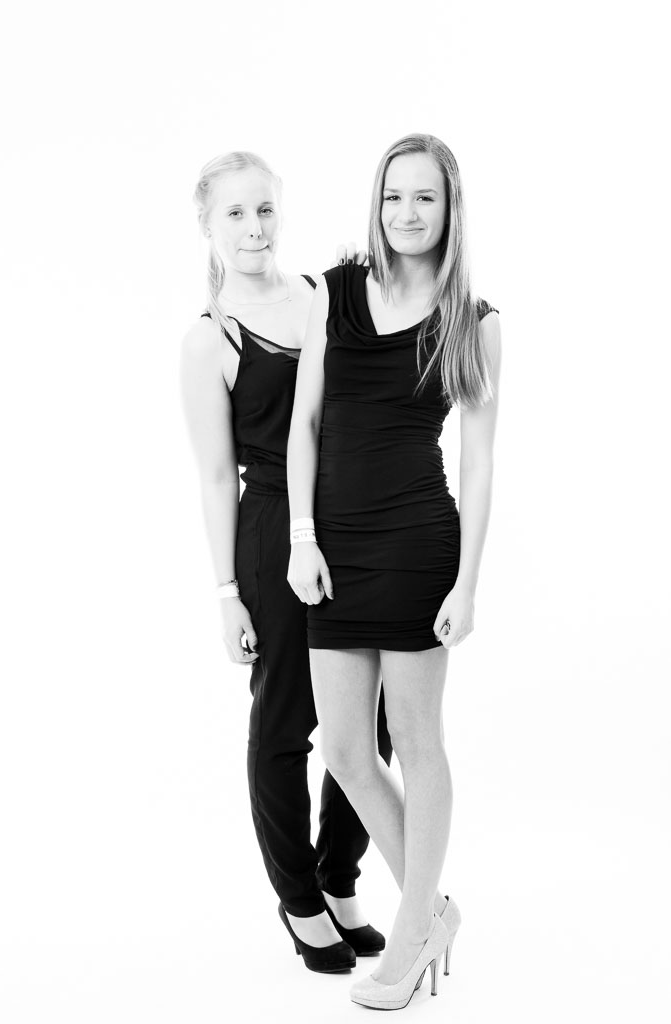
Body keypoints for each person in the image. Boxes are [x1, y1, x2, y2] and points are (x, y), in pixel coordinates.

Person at [287, 133, 501, 1009]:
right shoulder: (331, 293)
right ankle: (431, 912)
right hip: (334, 549)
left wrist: (466, 584)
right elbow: (304, 425)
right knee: (343, 748)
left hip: (419, 549)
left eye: (424, 198)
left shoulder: (472, 321)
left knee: (415, 741)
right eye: (393, 196)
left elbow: (479, 464)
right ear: (375, 204)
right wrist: (301, 537)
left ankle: (411, 931)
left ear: (450, 210)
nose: (406, 213)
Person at [180, 151, 392, 974]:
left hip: (356, 522)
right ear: (207, 225)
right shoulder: (210, 340)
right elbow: (213, 476)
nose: (254, 227)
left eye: (264, 209)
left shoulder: (318, 294)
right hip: (274, 532)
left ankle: (340, 878)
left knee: (369, 722)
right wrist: (227, 592)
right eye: (234, 213)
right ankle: (299, 898)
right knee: (284, 723)